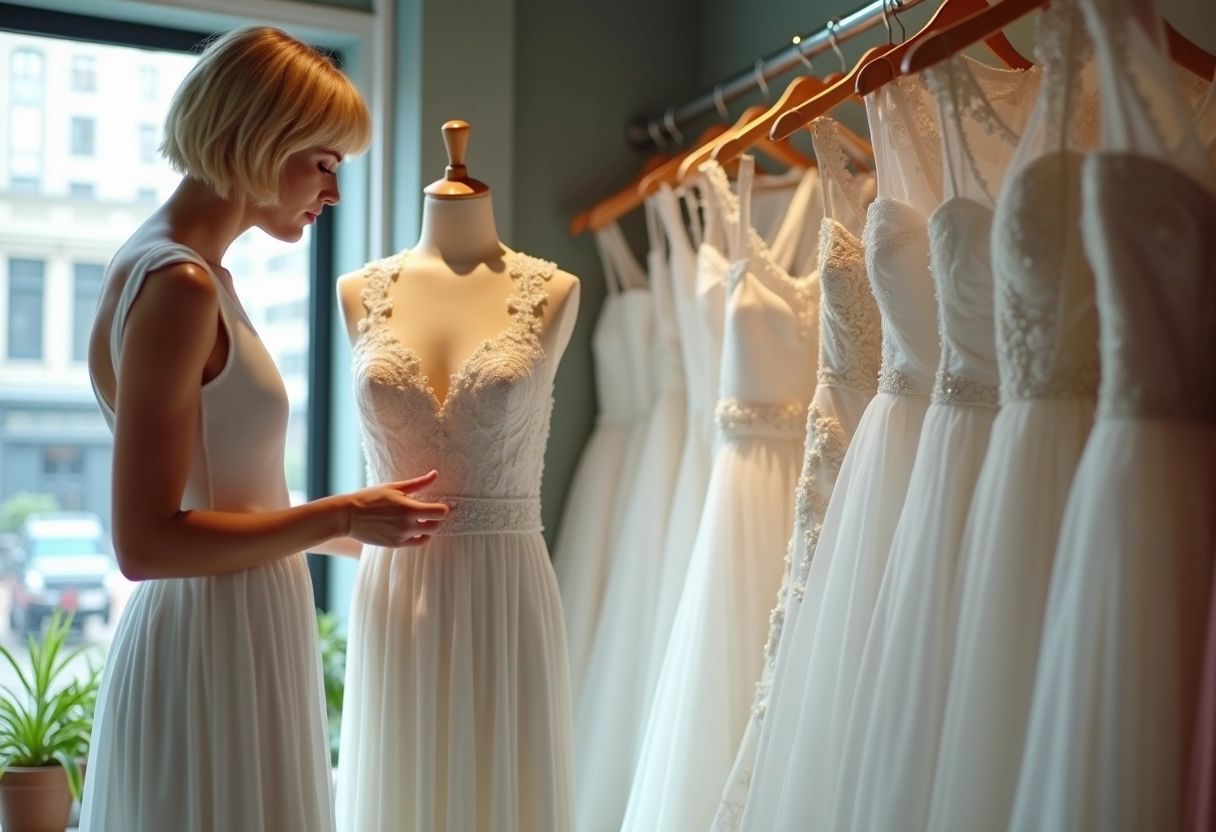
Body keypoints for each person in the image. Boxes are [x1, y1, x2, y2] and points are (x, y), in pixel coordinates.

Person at [78, 26, 448, 832]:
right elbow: (146, 542)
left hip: (233, 629)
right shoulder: (179, 284)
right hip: (213, 643)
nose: (334, 193)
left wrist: (374, 535)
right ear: (260, 138)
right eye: (324, 164)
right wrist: (341, 514)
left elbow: (234, 500)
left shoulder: (176, 269)